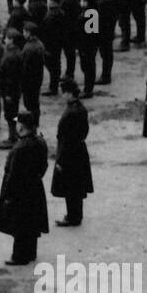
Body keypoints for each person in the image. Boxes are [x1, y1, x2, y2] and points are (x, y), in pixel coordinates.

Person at [0, 112, 49, 265]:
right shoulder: (39, 142)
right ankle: (30, 252)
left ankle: (19, 256)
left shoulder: (20, 148)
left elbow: (13, 174)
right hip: (34, 187)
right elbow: (43, 166)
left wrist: (8, 196)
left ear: (22, 126)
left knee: (19, 224)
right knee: (31, 221)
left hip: (20, 191)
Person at [51, 80, 92, 227]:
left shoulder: (71, 113)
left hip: (70, 154)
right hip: (79, 151)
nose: (62, 95)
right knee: (76, 186)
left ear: (69, 93)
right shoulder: (80, 108)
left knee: (70, 187)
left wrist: (60, 160)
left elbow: (66, 139)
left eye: (64, 92)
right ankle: (76, 215)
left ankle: (72, 216)